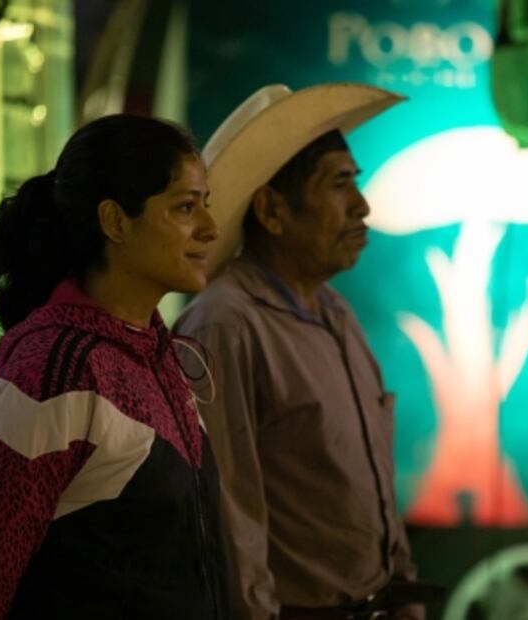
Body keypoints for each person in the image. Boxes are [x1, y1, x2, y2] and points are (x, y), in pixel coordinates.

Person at [0, 114, 229, 619]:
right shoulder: (54, 372)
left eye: (205, 205)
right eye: (185, 207)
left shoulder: (160, 358)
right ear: (116, 221)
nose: (210, 228)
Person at [174, 83, 428, 619]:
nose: (362, 206)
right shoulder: (226, 324)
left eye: (354, 183)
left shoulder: (335, 313)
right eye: (339, 185)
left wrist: (404, 593)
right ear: (271, 211)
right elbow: (227, 513)